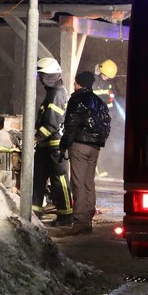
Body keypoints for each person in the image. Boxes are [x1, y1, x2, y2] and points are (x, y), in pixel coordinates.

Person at [50, 70, 112, 236]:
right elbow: (107, 122)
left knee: (77, 183)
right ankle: (88, 220)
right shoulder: (99, 101)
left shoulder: (77, 99)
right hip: (95, 146)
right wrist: (99, 140)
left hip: (80, 144)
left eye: (75, 83)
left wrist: (64, 145)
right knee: (88, 183)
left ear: (78, 84)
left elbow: (71, 124)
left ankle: (79, 221)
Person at [33, 57, 73, 225]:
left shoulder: (57, 94)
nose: (40, 79)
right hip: (45, 146)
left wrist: (36, 137)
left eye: (41, 75)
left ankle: (66, 215)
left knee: (59, 179)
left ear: (48, 76)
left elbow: (51, 122)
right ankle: (34, 213)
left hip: (54, 145)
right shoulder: (52, 93)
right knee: (38, 178)